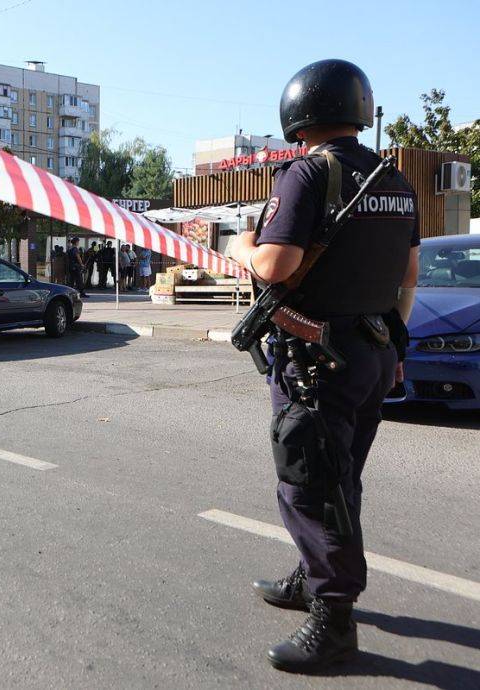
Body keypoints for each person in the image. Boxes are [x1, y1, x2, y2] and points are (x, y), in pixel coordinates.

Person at [228, 59, 418, 673]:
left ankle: (334, 620)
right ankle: (313, 576)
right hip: (372, 352)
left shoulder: (308, 175)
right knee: (342, 479)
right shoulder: (396, 182)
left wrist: (240, 247)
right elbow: (406, 278)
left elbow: (275, 267)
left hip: (317, 362)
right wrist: (394, 348)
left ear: (298, 113)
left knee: (309, 488)